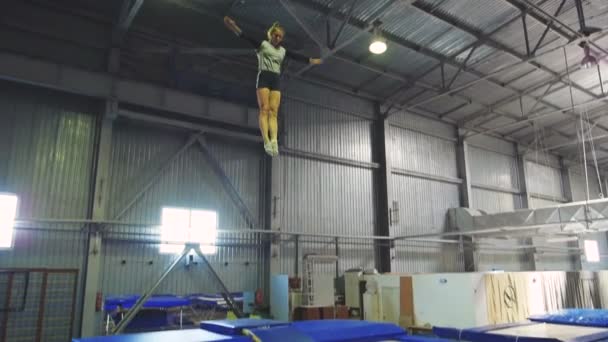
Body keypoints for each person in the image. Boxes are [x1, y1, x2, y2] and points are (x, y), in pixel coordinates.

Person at [224, 16, 322, 156]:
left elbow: (296, 56)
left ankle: (274, 141)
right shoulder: (263, 45)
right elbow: (245, 36)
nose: (277, 38)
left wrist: (312, 61)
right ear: (270, 35)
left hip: (275, 79)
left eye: (280, 36)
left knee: (274, 112)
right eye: (275, 35)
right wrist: (233, 26)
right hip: (264, 76)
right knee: (264, 109)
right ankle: (266, 141)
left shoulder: (282, 51)